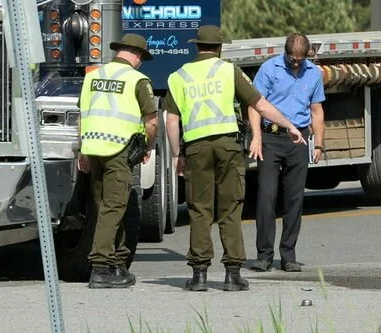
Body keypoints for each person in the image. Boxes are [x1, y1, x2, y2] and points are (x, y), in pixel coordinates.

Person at [162, 25, 307, 292]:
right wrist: (289, 125)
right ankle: (232, 275)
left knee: (200, 209)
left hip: (196, 148)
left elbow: (171, 120)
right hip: (227, 146)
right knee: (230, 208)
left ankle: (199, 276)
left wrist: (177, 154)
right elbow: (259, 104)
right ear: (219, 48)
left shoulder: (179, 76)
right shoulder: (229, 71)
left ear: (197, 47)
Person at [76, 33, 157, 289]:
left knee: (106, 208)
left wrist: (82, 150)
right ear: (138, 56)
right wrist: (148, 146)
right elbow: (152, 121)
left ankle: (117, 262)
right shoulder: (137, 79)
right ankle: (100, 267)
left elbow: (82, 115)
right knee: (114, 207)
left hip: (94, 149)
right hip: (118, 151)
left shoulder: (92, 76)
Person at [245, 33, 326, 273]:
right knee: (267, 197)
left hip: (298, 139)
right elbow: (255, 105)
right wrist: (257, 136)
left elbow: (317, 110)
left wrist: (319, 143)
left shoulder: (312, 73)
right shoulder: (270, 69)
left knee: (294, 199)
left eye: (300, 60)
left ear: (307, 56)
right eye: (292, 59)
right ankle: (264, 255)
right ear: (286, 53)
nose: (296, 64)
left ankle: (288, 255)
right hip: (271, 137)